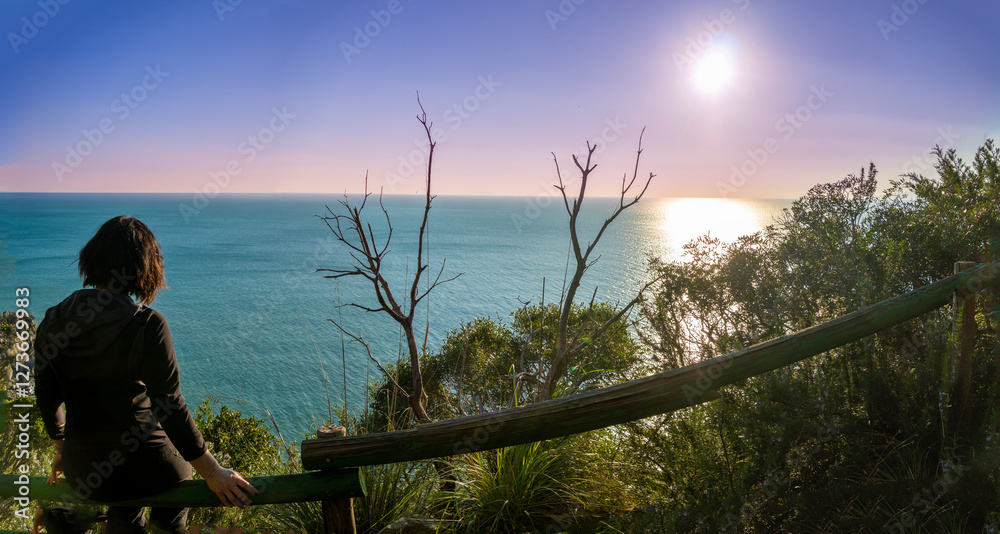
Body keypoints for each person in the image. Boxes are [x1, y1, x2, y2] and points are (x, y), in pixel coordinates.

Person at [34, 216, 258, 534]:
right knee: (162, 483)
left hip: (84, 471)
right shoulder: (147, 324)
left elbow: (47, 396)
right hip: (150, 467)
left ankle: (124, 524)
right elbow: (170, 405)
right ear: (145, 267)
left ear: (91, 259)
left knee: (123, 500)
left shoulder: (52, 320)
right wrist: (212, 471)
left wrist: (64, 451)